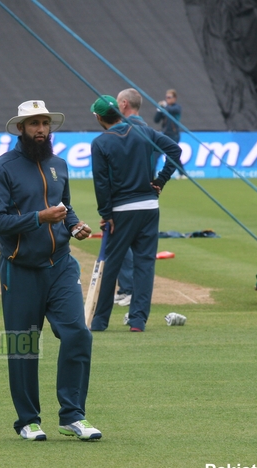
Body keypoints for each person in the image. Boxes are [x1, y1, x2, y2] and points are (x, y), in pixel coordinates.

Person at [0, 100, 101, 442]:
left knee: (78, 334)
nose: (41, 130)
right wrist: (39, 217)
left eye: (45, 123)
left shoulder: (58, 165)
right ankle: (27, 420)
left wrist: (75, 224)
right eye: (34, 124)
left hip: (60, 265)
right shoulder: (1, 168)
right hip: (19, 269)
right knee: (24, 345)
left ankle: (73, 415)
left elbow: (65, 208)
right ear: (20, 128)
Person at [89, 95, 181, 333]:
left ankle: (99, 321)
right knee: (144, 264)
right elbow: (175, 150)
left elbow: (101, 183)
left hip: (121, 210)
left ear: (99, 117)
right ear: (118, 113)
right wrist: (160, 180)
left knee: (111, 265)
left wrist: (106, 213)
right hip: (150, 208)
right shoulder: (145, 132)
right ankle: (137, 321)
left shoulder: (100, 142)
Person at [112, 88, 150, 308]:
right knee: (140, 248)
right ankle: (135, 292)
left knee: (121, 244)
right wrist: (159, 181)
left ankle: (128, 289)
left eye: (118, 103)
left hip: (126, 198)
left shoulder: (124, 130)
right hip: (147, 198)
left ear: (124, 103)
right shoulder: (148, 129)